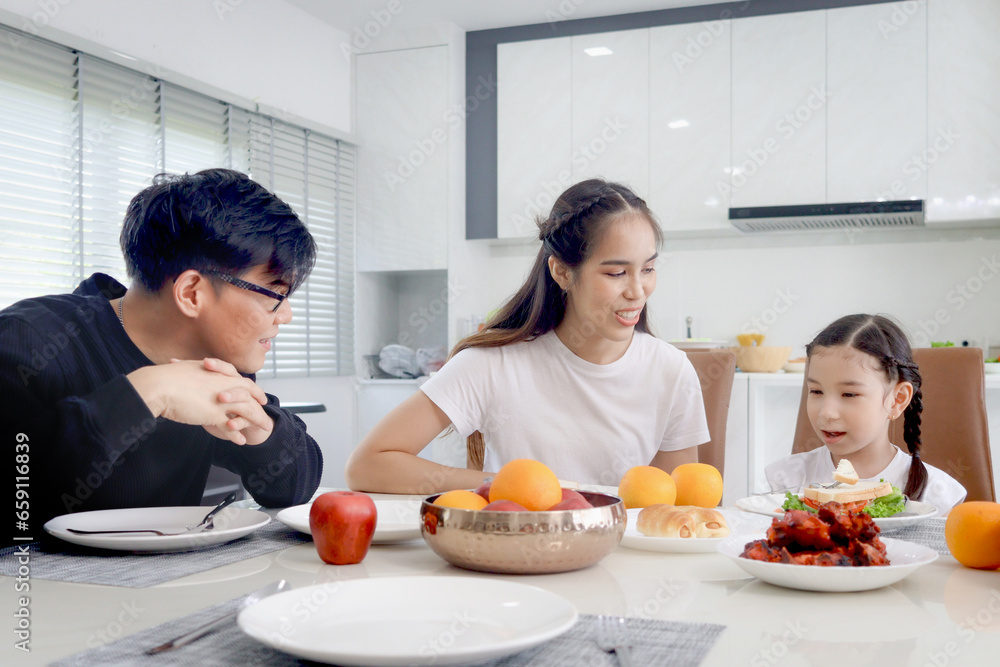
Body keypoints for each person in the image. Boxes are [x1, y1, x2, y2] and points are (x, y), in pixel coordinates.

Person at [2, 168, 323, 543]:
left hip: (167, 585)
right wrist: (145, 394)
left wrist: (263, 433)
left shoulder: (217, 356)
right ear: (191, 293)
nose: (286, 315)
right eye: (274, 295)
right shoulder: (28, 341)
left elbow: (292, 492)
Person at [345, 179, 709, 493]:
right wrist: (501, 485)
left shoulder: (670, 370)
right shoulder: (492, 364)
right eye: (616, 273)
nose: (637, 291)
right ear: (562, 273)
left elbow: (670, 506)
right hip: (514, 559)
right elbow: (368, 465)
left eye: (647, 269)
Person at [765, 314, 966, 510]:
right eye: (816, 391)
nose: (827, 413)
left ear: (897, 399)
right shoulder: (784, 482)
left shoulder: (938, 496)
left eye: (849, 394)